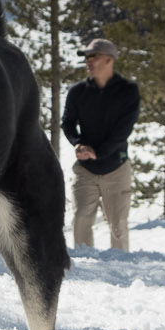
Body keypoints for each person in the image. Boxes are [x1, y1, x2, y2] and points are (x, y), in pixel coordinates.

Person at [60, 38, 139, 251]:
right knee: (81, 218)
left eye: (92, 56)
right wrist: (78, 144)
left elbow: (123, 130)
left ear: (108, 59)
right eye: (87, 57)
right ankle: (86, 264)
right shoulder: (78, 91)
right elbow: (67, 123)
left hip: (117, 168)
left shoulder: (128, 91)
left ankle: (121, 265)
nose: (88, 61)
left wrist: (99, 152)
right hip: (85, 168)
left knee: (118, 224)